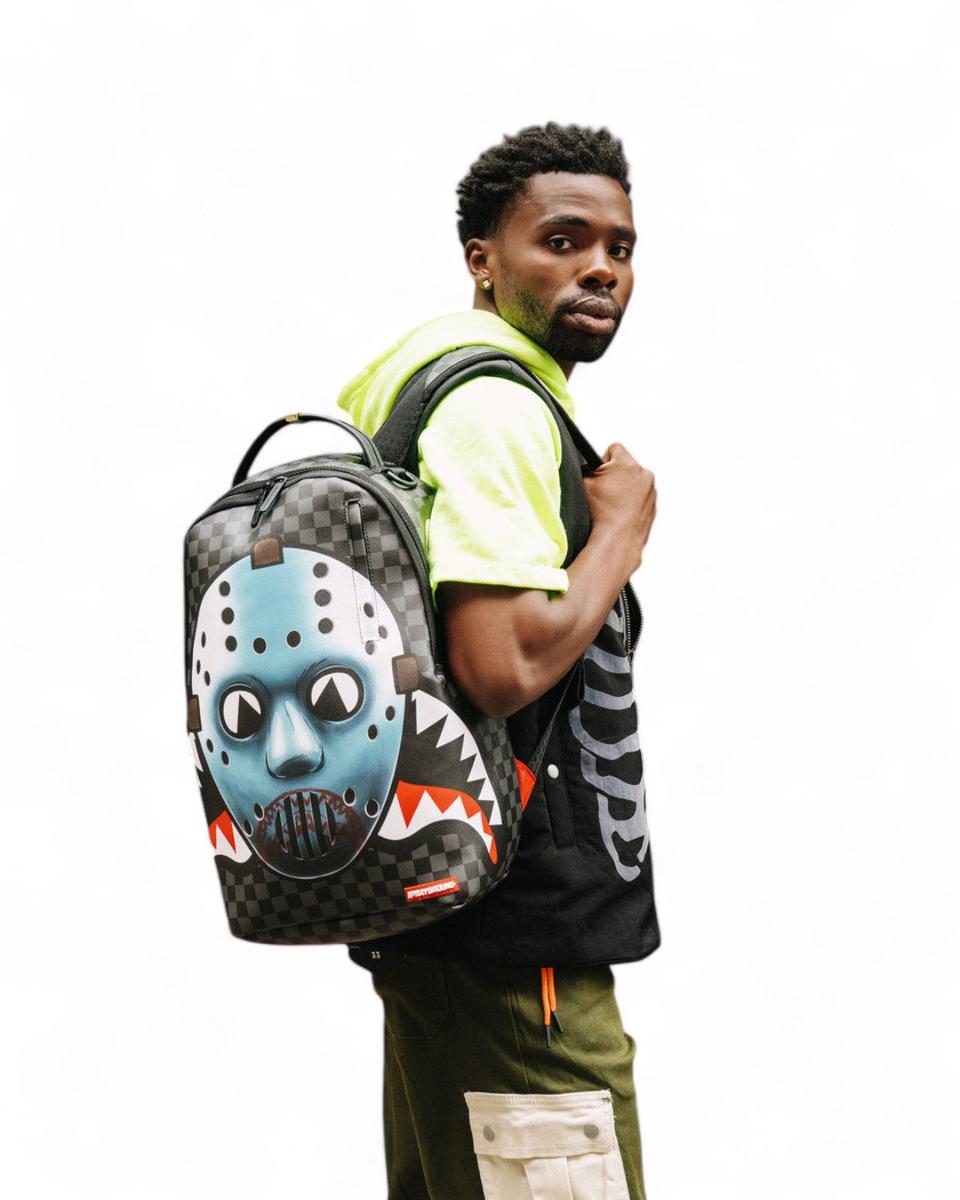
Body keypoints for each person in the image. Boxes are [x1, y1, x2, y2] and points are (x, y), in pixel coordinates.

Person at [337, 122, 660, 1200]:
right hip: (521, 952)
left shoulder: (429, 400)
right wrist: (621, 532)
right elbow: (499, 664)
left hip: (443, 918)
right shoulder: (495, 411)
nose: (600, 268)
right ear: (483, 258)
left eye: (619, 246)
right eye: (562, 240)